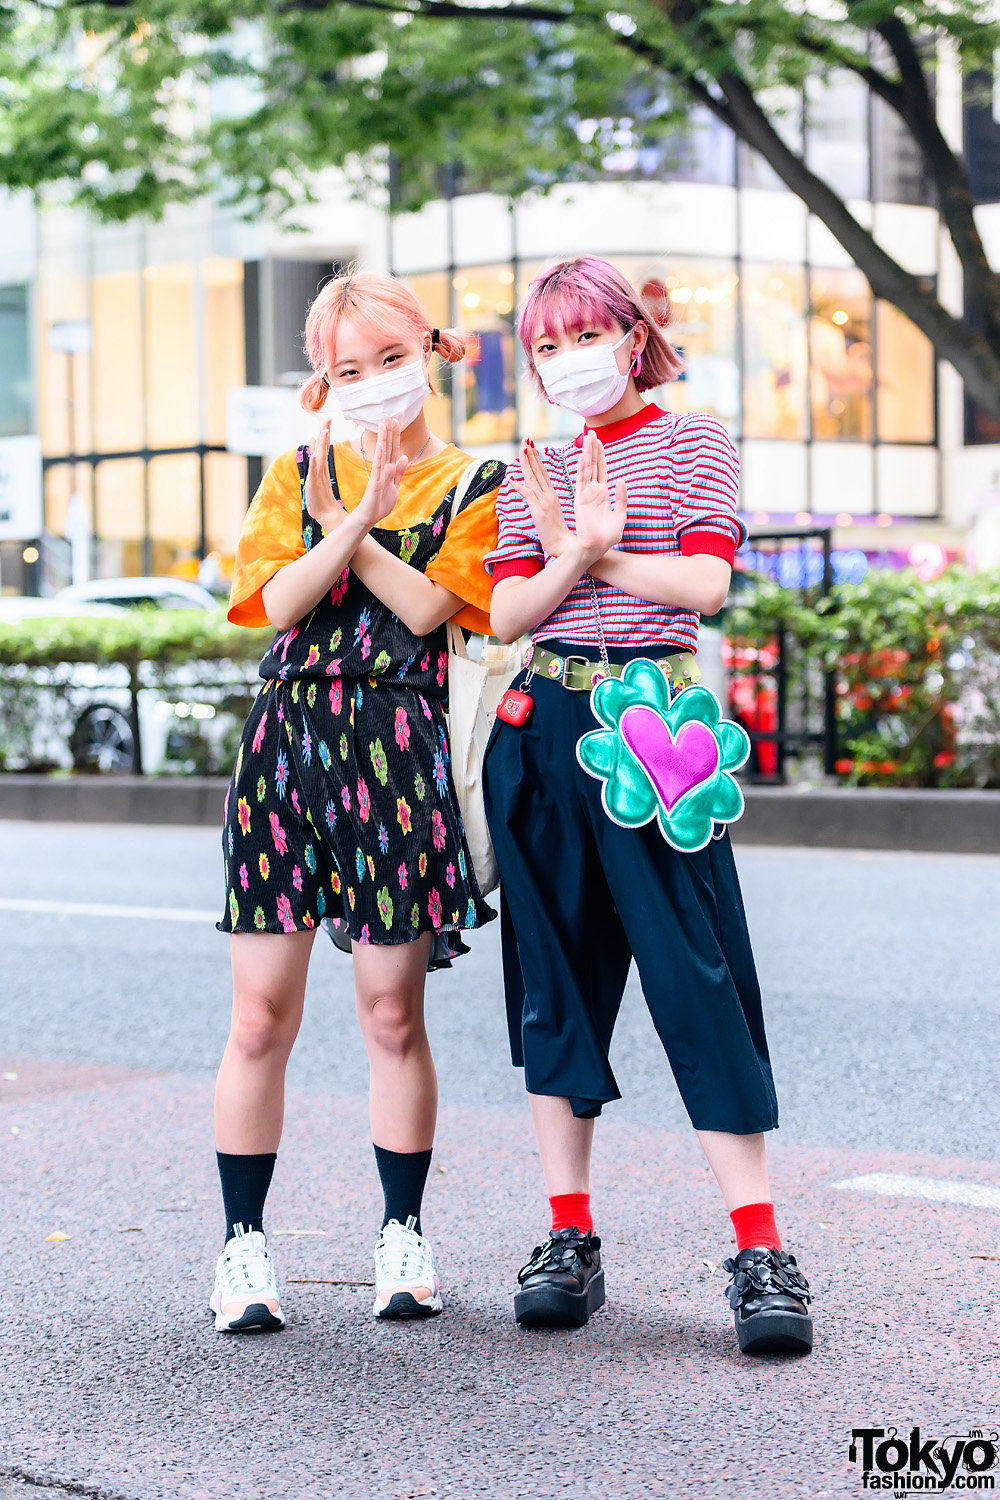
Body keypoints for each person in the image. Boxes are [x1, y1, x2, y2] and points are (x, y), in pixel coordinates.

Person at [482, 256, 813, 1355]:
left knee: (697, 972)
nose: (565, 359)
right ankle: (568, 1235)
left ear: (631, 337)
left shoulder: (690, 441)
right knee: (553, 987)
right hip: (543, 730)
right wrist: (573, 548)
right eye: (544, 344)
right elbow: (508, 614)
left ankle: (759, 1246)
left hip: (652, 732)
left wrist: (592, 548)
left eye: (583, 335)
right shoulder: (525, 463)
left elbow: (703, 588)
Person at [211, 269, 503, 1333]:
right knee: (258, 1018)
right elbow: (270, 604)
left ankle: (402, 1234)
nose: (375, 383)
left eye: (389, 359)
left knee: (391, 1011)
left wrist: (368, 527)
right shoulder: (294, 471)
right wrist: (340, 524)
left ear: (429, 351)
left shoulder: (479, 481)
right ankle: (244, 1247)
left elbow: (432, 608)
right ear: (321, 381)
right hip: (287, 742)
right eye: (349, 369)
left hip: (397, 744)